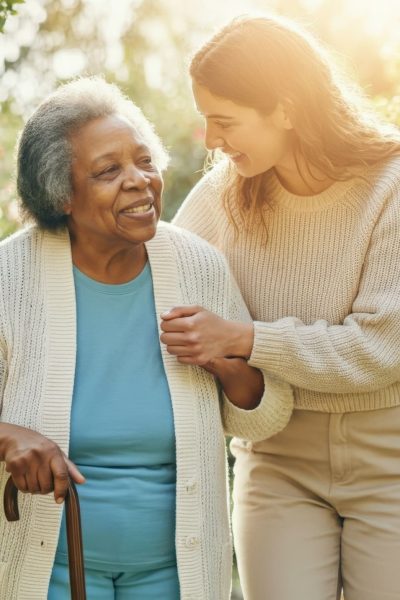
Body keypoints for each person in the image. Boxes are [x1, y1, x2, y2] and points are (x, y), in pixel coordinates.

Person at [0, 76, 294, 600]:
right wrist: (7, 435)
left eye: (144, 161)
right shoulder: (10, 276)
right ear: (61, 194)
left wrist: (224, 359)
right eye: (108, 171)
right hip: (47, 566)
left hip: (175, 569)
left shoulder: (198, 265)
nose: (139, 181)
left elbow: (266, 415)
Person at [166, 14, 400, 600]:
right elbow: (156, 273)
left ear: (288, 108)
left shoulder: (389, 186)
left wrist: (246, 338)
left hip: (389, 458)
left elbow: (382, 347)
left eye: (225, 121)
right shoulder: (226, 191)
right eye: (206, 122)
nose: (211, 140)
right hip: (277, 460)